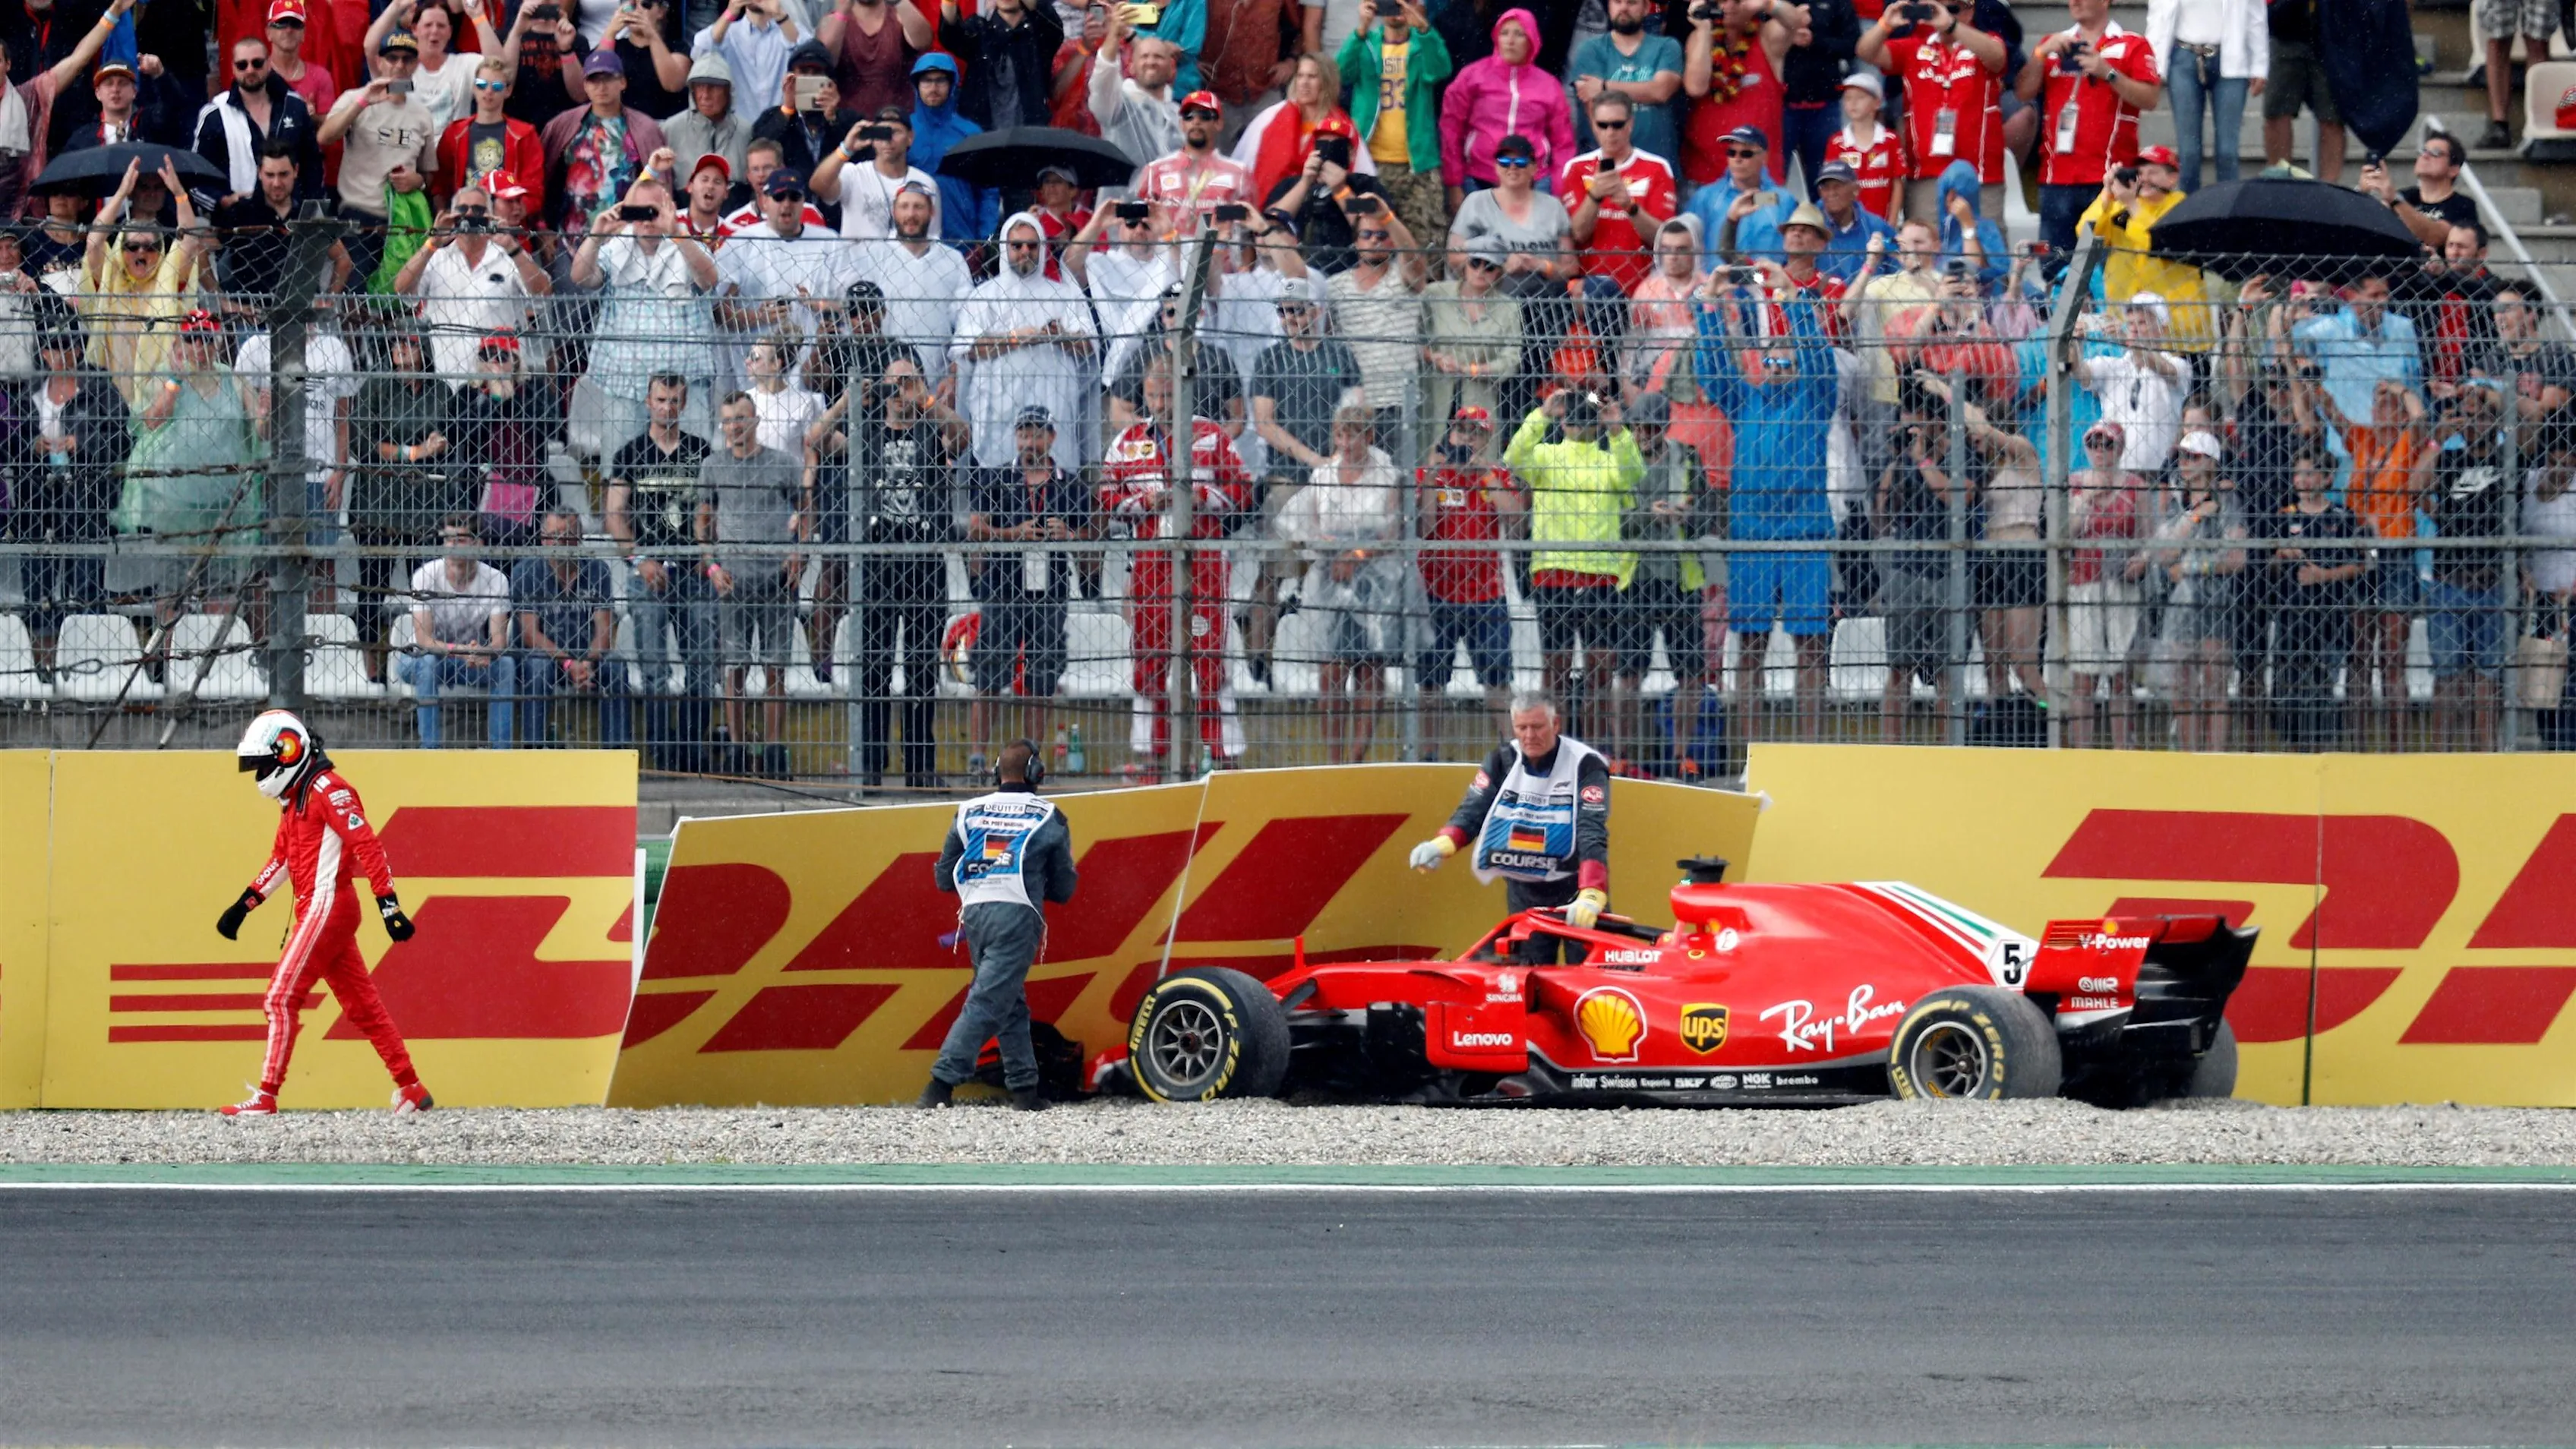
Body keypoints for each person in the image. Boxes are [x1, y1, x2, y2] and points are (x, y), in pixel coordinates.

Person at [213, 709, 429, 1117]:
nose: (260, 774)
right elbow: (282, 859)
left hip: (325, 907)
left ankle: (266, 1096)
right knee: (363, 1007)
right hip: (325, 910)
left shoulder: (329, 790)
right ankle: (412, 1088)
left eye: (263, 764)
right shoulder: (296, 797)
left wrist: (389, 905)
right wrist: (244, 905)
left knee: (280, 998)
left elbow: (368, 844)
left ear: (288, 751)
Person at [1698, 260, 1839, 743]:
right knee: (1750, 648)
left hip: (1805, 536)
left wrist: (1792, 299)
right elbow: (1713, 371)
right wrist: (1710, 305)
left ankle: (1810, 755)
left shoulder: (1815, 399)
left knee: (1811, 649)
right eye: (1771, 363)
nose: (1777, 370)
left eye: (1786, 363)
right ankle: (1752, 754)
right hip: (1752, 538)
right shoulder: (1746, 401)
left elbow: (1820, 360)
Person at [1103, 363, 1252, 774]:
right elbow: (1106, 498)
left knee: (1210, 657)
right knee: (1148, 657)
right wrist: (1145, 504)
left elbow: (1243, 489)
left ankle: (1222, 756)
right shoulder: (1128, 441)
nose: (1160, 404)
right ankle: (1151, 755)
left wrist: (1202, 496)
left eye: (1167, 395)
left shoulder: (1212, 434)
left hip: (1205, 563)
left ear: (1183, 394)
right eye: (1153, 396)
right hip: (1151, 565)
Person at [921, 737, 1078, 1112]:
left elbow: (944, 877)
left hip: (974, 914)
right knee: (988, 1002)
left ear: (996, 772)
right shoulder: (1049, 816)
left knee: (1009, 1002)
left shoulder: (967, 811)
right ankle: (939, 1084)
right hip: (1017, 915)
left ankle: (1025, 1090)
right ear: (1036, 773)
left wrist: (985, 875)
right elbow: (1064, 888)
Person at [1406, 690, 1613, 959]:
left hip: (1575, 886)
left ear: (1556, 724)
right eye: (1522, 728)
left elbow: (1591, 829)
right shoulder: (1501, 760)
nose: (1529, 736)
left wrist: (1592, 893)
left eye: (1537, 727)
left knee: (1588, 973)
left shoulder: (1586, 764)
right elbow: (1473, 811)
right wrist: (1441, 845)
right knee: (1527, 974)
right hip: (1524, 891)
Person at [842, 353, 968, 785]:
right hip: (877, 562)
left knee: (921, 668)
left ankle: (920, 767)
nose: (900, 392)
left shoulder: (933, 430)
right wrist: (851, 400)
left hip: (924, 560)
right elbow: (817, 440)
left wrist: (926, 400)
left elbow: (962, 435)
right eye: (893, 384)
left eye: (908, 382)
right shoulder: (866, 433)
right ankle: (871, 764)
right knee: (874, 666)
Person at [1505, 387, 1640, 742]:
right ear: (1563, 423)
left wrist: (1617, 430)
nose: (1577, 424)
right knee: (1556, 672)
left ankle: (1593, 750)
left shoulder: (1608, 461)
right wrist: (1541, 414)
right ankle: (1556, 750)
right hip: (1555, 574)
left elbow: (1633, 475)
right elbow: (1513, 456)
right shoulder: (1546, 456)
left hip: (1599, 576)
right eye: (1572, 418)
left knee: (1600, 672)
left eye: (1585, 418)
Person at [1277, 403, 1403, 762]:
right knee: (1331, 668)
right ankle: (1334, 761)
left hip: (1375, 579)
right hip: (1330, 576)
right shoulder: (1324, 475)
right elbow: (1309, 524)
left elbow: (1392, 531)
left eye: (1354, 436)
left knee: (1370, 666)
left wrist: (1357, 555)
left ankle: (1357, 758)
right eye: (1340, 435)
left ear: (1370, 436)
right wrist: (1327, 549)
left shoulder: (1388, 475)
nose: (1346, 444)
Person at [966, 405, 1089, 770]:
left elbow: (1090, 535)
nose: (1029, 442)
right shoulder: (997, 479)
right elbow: (976, 529)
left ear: (1051, 438)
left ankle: (1032, 758)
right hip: (1002, 588)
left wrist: (1068, 535)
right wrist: (1014, 534)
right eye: (1023, 435)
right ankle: (978, 756)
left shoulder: (1070, 484)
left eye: (1036, 434)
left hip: (1050, 591)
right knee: (989, 673)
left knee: (1042, 676)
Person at [605, 371, 718, 766]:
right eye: (660, 400)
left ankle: (691, 749)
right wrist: (639, 559)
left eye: (674, 400)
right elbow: (614, 514)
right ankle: (660, 753)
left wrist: (708, 557)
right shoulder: (630, 453)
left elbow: (714, 510)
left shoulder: (701, 452)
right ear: (648, 402)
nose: (667, 407)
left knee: (702, 669)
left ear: (684, 404)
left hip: (694, 572)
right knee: (654, 669)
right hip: (648, 572)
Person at [696, 388, 805, 777]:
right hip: (733, 582)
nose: (734, 427)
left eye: (741, 419)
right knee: (735, 668)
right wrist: (712, 566)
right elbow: (702, 523)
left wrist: (800, 552)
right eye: (728, 421)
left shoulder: (783, 464)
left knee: (776, 668)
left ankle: (773, 752)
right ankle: (738, 750)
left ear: (756, 420)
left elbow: (807, 510)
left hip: (777, 579)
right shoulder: (713, 467)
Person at [576, 169, 719, 462]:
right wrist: (596, 236)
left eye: (652, 211)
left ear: (668, 209)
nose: (645, 220)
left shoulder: (688, 244)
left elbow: (709, 280)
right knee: (620, 474)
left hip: (685, 387)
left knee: (694, 475)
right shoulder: (614, 249)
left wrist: (676, 233)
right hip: (625, 385)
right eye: (638, 212)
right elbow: (581, 277)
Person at [1615, 390, 1717, 775]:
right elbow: (1610, 520)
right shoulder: (1621, 460)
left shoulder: (1687, 458)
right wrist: (1647, 515)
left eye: (1651, 428)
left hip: (1679, 578)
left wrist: (1686, 516)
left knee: (1690, 673)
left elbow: (1707, 514)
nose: (1644, 435)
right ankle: (1622, 757)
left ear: (1665, 427)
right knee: (1629, 673)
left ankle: (1682, 757)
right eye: (1639, 428)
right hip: (1635, 578)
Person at [346, 326, 456, 681]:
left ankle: (424, 662)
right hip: (376, 504)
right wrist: (413, 452)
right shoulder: (376, 386)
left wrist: (440, 444)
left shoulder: (440, 391)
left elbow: (456, 437)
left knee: (422, 588)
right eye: (395, 342)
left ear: (424, 350)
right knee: (373, 588)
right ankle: (370, 669)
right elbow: (360, 442)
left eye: (409, 343)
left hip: (423, 505)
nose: (400, 349)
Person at [2019, 0, 2161, 256]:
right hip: (2056, 177)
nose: (2075, 2)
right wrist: (2040, 54)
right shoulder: (2053, 43)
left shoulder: (2132, 43)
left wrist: (2109, 73)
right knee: (2054, 268)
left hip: (2109, 180)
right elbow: (2023, 92)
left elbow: (2150, 99)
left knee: (2104, 268)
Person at [1416, 404, 1520, 751]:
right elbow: (1425, 527)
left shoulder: (1495, 475)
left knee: (1497, 681)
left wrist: (1484, 475)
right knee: (1431, 683)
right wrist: (1432, 476)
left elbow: (1517, 522)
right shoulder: (1430, 473)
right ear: (1451, 433)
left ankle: (1514, 753)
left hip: (1486, 594)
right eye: (1462, 431)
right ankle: (1428, 756)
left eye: (1476, 433)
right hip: (1436, 592)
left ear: (1487, 440)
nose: (1467, 439)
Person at [1858, 0, 2009, 226]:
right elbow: (1865, 52)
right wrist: (1885, 24)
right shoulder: (1914, 46)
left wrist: (1952, 26)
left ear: (1970, 11)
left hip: (1980, 174)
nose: (1943, 15)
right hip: (1926, 174)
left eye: (1953, 9)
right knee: (1924, 244)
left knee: (1984, 245)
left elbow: (1997, 58)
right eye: (1937, 8)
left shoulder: (1985, 43)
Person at [2420, 379, 2511, 750]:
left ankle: (2485, 756)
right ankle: (2443, 757)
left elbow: (2531, 421)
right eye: (2468, 418)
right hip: (2450, 583)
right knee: (2447, 677)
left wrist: (2484, 393)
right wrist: (2438, 438)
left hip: (2492, 584)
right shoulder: (2448, 460)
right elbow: (2414, 487)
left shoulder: (2508, 460)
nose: (2474, 425)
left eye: (2482, 417)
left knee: (2487, 677)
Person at [396, 181, 551, 387]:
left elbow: (543, 293)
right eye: (462, 210)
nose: (469, 215)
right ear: (452, 216)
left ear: (490, 216)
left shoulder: (509, 256)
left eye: (478, 210)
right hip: (450, 385)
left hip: (501, 384)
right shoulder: (436, 258)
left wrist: (512, 247)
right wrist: (432, 242)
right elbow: (402, 290)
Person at [2150, 428, 2247, 750]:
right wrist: (2193, 518)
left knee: (2214, 686)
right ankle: (2188, 760)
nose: (2185, 463)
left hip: (2215, 602)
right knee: (2182, 686)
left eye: (2193, 457)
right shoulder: (2176, 504)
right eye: (2182, 457)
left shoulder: (2228, 501)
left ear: (2211, 462)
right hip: (2178, 605)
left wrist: (2192, 567)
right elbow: (2163, 555)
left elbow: (2236, 558)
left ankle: (2214, 760)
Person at [317, 27, 441, 279]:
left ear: (416, 64)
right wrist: (363, 102)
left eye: (407, 59)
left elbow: (428, 174)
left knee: (397, 297)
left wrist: (417, 181)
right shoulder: (354, 98)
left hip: (402, 222)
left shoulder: (421, 114)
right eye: (392, 58)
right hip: (359, 217)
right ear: (379, 61)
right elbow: (325, 137)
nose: (399, 65)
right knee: (356, 296)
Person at [2269, 445, 2366, 747]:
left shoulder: (2342, 516)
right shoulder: (2284, 516)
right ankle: (2292, 746)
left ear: (2326, 479)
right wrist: (2282, 554)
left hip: (2330, 616)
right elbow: (2268, 566)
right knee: (2290, 687)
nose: (2302, 480)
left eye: (2310, 473)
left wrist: (2323, 575)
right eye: (2298, 473)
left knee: (2325, 686)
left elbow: (2360, 565)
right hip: (2291, 617)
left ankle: (2324, 747)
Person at [513, 505, 634, 746]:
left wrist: (587, 663)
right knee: (538, 666)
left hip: (588, 658)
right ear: (542, 539)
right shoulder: (526, 571)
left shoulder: (597, 570)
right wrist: (569, 663)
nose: (559, 542)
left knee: (616, 666)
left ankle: (616, 753)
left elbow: (604, 630)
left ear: (579, 539)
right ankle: (533, 750)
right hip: (544, 657)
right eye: (552, 536)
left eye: (566, 536)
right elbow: (530, 635)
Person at [0, 0, 131, 218]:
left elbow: (77, 60)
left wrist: (113, 13)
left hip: (18, 216)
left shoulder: (27, 97)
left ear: (8, 65)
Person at [1340, 0, 1454, 253]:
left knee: (1427, 245)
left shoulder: (1422, 43)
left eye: (1407, 2)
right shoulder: (1367, 43)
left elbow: (1441, 69)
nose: (1399, 7)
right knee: (1368, 240)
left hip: (1419, 165)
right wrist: (1361, 29)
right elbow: (1341, 73)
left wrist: (1423, 29)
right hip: (1370, 164)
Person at [398, 513, 520, 747]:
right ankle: (430, 750)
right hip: (420, 659)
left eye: (460, 540)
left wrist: (484, 652)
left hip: (469, 660)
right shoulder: (425, 575)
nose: (452, 545)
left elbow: (499, 642)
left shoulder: (496, 580)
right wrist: (461, 650)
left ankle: (501, 751)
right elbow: (423, 641)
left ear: (478, 544)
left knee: (505, 665)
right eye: (448, 539)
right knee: (428, 663)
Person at [1438, 8, 1573, 210]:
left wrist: (1559, 189)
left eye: (1519, 34)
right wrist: (1454, 182)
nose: (1510, 40)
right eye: (1504, 33)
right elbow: (1451, 128)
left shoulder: (1549, 85)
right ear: (1496, 38)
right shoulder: (1472, 76)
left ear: (1532, 40)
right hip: (1478, 178)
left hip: (1535, 181)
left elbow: (1563, 142)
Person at [2064, 420, 2147, 747]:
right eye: (2094, 444)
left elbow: (2147, 538)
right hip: (2084, 583)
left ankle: (2122, 752)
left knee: (2120, 676)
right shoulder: (2075, 484)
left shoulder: (2135, 486)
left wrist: (2141, 561)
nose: (2100, 451)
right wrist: (2085, 499)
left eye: (2108, 444)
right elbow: (2064, 536)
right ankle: (2082, 755)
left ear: (2120, 448)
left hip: (2121, 586)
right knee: (2084, 678)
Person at [1680, 0, 1809, 189]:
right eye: (1723, 1)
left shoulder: (1766, 37)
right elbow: (1696, 87)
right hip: (1706, 178)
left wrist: (1768, 4)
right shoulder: (1701, 37)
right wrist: (1704, 29)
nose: (1729, 6)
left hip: (1761, 181)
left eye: (1738, 1)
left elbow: (1794, 21)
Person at [1562, 90, 1675, 305]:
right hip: (1591, 292)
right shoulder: (1576, 168)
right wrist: (1595, 196)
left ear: (1630, 124)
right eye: (1603, 125)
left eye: (1617, 125)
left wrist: (1629, 205)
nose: (1610, 132)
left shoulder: (1657, 168)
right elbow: (1577, 235)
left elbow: (1662, 239)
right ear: (1593, 124)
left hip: (1643, 291)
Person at [542, 47, 670, 232]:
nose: (601, 86)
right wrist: (543, 227)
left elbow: (661, 186)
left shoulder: (645, 128)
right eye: (594, 80)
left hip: (627, 236)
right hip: (572, 234)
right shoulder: (562, 125)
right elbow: (542, 178)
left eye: (608, 78)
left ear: (623, 82)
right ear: (585, 85)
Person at [2145, 0, 2265, 191]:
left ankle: (2227, 207)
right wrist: (2152, 62)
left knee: (2227, 152)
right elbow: (2157, 14)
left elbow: (2255, 12)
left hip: (2231, 55)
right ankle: (2189, 207)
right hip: (2184, 56)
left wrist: (2260, 63)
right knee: (2189, 153)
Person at [194, 35, 325, 207]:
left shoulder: (295, 106)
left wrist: (308, 208)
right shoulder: (215, 114)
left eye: (257, 63)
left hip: (291, 217)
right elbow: (197, 177)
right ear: (233, 68)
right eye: (242, 65)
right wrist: (223, 201)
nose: (250, 70)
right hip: (237, 218)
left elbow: (313, 166)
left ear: (269, 64)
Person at [1233, 51, 1356, 207]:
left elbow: (1359, 178)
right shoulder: (1270, 117)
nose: (1304, 82)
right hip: (1269, 211)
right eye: (1300, 76)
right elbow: (1243, 165)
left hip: (1322, 211)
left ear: (1327, 82)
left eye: (1312, 77)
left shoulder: (1343, 126)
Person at [1422, 233, 1523, 422]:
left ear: (1499, 272)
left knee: (1478, 441)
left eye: (1489, 266)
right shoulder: (1435, 294)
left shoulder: (1509, 307)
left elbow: (1511, 359)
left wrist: (1473, 370)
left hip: (1481, 398)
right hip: (1435, 396)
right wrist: (1434, 357)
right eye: (1475, 263)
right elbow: (1411, 337)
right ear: (1465, 265)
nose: (1480, 271)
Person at [1132, 87, 1253, 235]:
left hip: (1219, 250)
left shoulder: (1239, 173)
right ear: (1182, 124)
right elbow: (1137, 229)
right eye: (1189, 116)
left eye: (1205, 116)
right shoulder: (1154, 171)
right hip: (1168, 249)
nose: (1196, 122)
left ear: (1219, 123)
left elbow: (1248, 232)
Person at [437, 56, 548, 215]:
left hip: (507, 222)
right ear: (474, 88)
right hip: (463, 219)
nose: (488, 91)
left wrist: (514, 215)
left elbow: (534, 189)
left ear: (508, 91)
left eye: (496, 86)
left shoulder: (524, 135)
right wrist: (445, 215)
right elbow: (440, 186)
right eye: (481, 85)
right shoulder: (454, 133)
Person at [1088, 21, 1182, 202]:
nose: (1151, 62)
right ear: (1131, 67)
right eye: (1144, 56)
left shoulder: (1180, 116)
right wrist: (1114, 35)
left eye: (1158, 57)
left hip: (1168, 213)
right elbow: (1103, 78)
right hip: (1122, 213)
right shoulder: (1117, 105)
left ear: (1172, 69)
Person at [906, 51, 994, 242]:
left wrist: (984, 238)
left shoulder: (970, 133)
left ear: (952, 85)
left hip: (961, 238)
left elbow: (988, 189)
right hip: (911, 237)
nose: (933, 88)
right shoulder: (904, 130)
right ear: (917, 86)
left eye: (940, 81)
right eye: (927, 81)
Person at [813, 104, 939, 238]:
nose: (888, 140)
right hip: (858, 252)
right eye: (882, 133)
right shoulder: (854, 174)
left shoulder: (926, 183)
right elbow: (817, 186)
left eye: (896, 132)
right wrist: (846, 149)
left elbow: (932, 237)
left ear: (910, 137)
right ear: (873, 137)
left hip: (905, 252)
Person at [936, 0, 1060, 130]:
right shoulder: (980, 29)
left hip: (1031, 132)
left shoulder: (1039, 34)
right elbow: (951, 34)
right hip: (982, 132)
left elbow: (1052, 26)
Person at [751, 38, 857, 178]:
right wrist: (787, 110)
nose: (810, 78)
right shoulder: (772, 117)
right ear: (790, 77)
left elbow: (858, 158)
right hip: (790, 191)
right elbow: (759, 150)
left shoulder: (851, 120)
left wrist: (833, 119)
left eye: (817, 73)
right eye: (804, 72)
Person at [2258, 0, 2338, 183]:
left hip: (2331, 34)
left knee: (2333, 116)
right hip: (2284, 30)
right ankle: (2279, 181)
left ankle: (2330, 187)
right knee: (2277, 111)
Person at [692, 0, 802, 125]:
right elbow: (700, 53)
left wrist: (780, 15)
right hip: (737, 129)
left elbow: (809, 53)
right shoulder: (728, 33)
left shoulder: (789, 30)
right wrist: (730, 12)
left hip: (783, 127)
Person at [820, 0, 932, 118]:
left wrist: (899, 1)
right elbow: (826, 62)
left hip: (896, 120)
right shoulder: (831, 21)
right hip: (848, 121)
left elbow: (923, 43)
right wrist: (842, 12)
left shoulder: (899, 16)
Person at [1823, 73, 1903, 223]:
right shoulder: (1836, 142)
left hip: (1881, 224)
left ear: (1877, 103)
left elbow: (1897, 184)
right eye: (1848, 98)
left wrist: (1891, 224)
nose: (1853, 103)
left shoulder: (1890, 140)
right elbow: (1830, 187)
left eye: (1860, 97)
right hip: (1847, 225)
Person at [665, 49, 750, 180]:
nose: (705, 95)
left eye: (714, 87)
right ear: (692, 91)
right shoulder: (671, 130)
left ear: (728, 91)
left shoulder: (745, 132)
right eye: (700, 87)